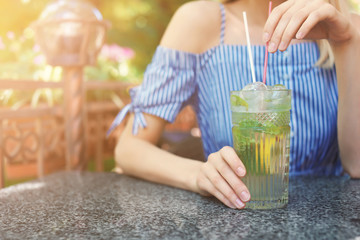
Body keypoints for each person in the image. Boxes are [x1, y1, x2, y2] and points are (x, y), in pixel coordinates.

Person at [109, 0, 360, 209]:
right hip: (236, 215)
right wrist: (197, 175)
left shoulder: (348, 27)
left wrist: (345, 42)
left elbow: (356, 165)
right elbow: (130, 148)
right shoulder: (199, 21)